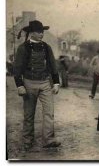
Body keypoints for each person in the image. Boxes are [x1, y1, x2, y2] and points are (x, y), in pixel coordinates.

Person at [14, 20, 61, 150]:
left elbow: (53, 65)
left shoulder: (47, 47)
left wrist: (56, 82)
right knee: (29, 114)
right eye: (38, 32)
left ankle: (48, 139)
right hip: (29, 83)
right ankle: (27, 141)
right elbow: (17, 68)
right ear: (31, 33)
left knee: (49, 112)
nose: (41, 34)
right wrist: (20, 85)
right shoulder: (23, 48)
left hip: (45, 83)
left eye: (42, 32)